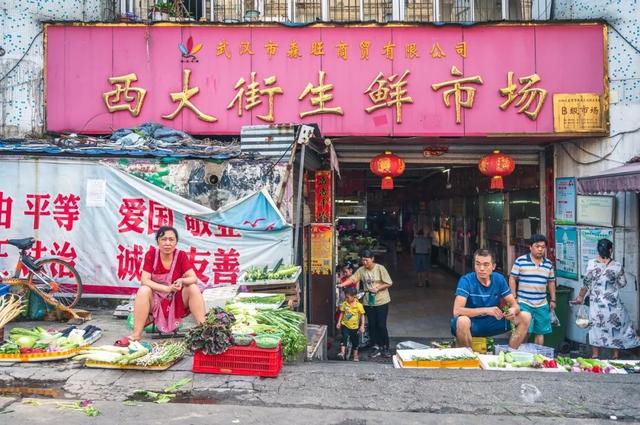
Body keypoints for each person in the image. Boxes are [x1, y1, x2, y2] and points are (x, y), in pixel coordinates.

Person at [119, 226, 206, 345]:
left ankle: (205, 329)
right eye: (164, 239)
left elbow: (194, 278)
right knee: (144, 290)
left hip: (175, 300)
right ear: (158, 241)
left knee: (192, 287)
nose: (167, 243)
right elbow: (145, 280)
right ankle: (136, 334)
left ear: (176, 242)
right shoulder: (151, 254)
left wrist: (181, 280)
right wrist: (166, 288)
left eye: (171, 240)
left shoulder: (181, 255)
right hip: (156, 300)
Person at [570, 239, 640, 359]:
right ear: (610, 250)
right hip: (613, 304)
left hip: (596, 304)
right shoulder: (617, 266)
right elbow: (622, 283)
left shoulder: (592, 264)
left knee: (596, 329)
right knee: (616, 328)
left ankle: (595, 356)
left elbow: (586, 283)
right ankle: (615, 356)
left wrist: (580, 297)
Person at [452, 248, 531, 349]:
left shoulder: (499, 279)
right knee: (462, 321)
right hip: (472, 323)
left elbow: (515, 305)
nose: (481, 268)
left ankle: (510, 353)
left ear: (493, 266)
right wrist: (486, 310)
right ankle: (469, 358)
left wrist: (513, 310)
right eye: (478, 264)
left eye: (486, 264)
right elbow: (457, 311)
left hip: (492, 322)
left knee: (526, 316)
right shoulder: (466, 280)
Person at [343, 249, 393, 358]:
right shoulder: (361, 270)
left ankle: (385, 347)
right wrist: (342, 284)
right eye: (363, 261)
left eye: (367, 260)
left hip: (381, 301)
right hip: (368, 302)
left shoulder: (380, 268)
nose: (365, 263)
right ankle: (375, 346)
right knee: (372, 325)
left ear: (372, 259)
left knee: (381, 325)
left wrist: (378, 288)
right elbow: (353, 278)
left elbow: (389, 282)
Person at [509, 234, 556, 346]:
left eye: (543, 247)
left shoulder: (548, 264)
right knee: (524, 331)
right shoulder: (520, 261)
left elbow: (551, 281)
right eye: (537, 246)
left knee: (540, 332)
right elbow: (512, 278)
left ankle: (537, 357)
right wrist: (514, 297)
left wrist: (553, 299)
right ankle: (518, 354)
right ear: (530, 247)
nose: (540, 249)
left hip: (541, 303)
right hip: (524, 302)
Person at [336, 287, 366, 361]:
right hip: (345, 325)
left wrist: (362, 326)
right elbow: (342, 313)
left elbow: (362, 316)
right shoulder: (345, 304)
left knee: (355, 341)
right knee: (344, 337)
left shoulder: (359, 305)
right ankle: (342, 353)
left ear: (354, 296)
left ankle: (355, 355)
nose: (346, 298)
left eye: (348, 297)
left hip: (354, 327)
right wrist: (339, 322)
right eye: (346, 297)